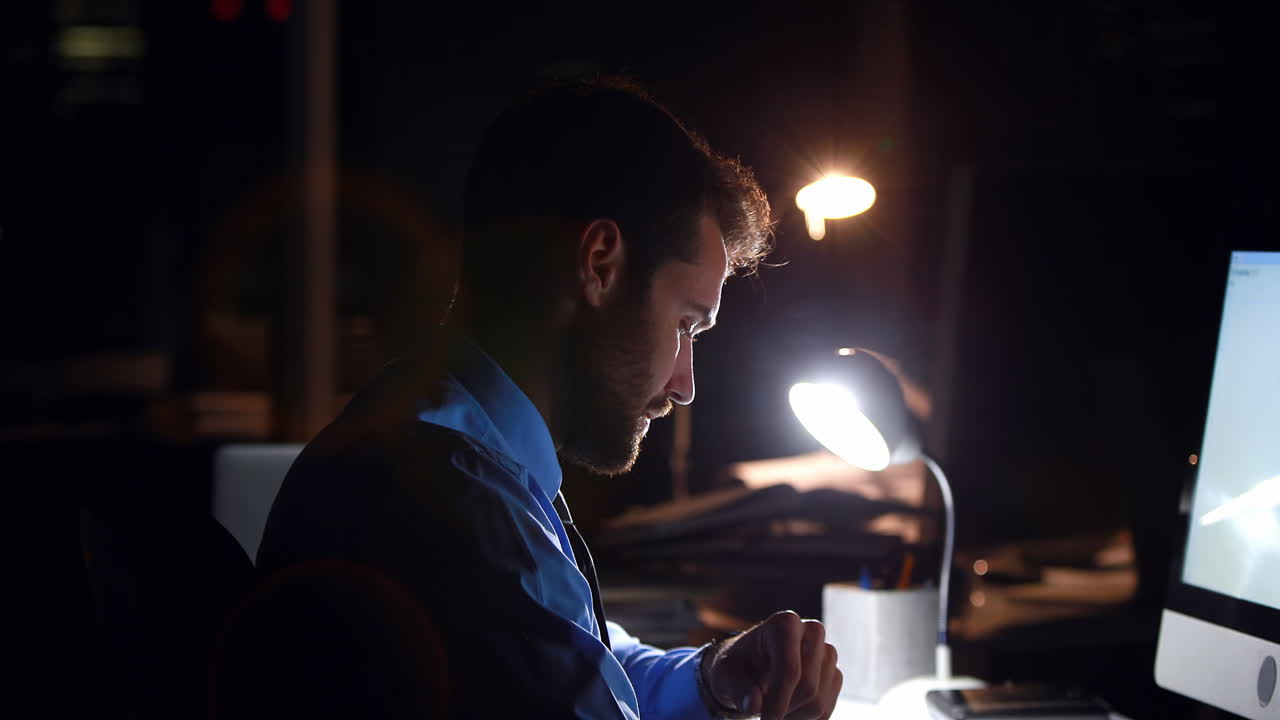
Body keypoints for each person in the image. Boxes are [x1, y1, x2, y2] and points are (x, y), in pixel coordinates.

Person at [251, 78, 843, 720]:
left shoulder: (448, 445)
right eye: (683, 325)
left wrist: (717, 677)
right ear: (599, 264)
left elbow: (589, 669)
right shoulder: (458, 512)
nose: (684, 384)